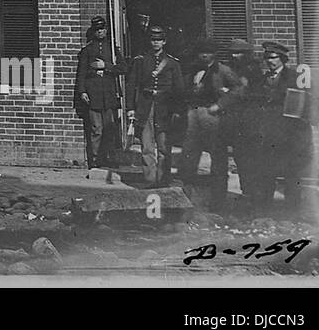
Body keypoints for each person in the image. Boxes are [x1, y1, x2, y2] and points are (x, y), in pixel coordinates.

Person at [178, 40, 245, 210]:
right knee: (189, 156)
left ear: (214, 54)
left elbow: (238, 90)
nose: (204, 55)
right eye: (201, 52)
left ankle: (218, 202)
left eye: (208, 52)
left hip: (213, 117)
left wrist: (220, 105)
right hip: (193, 115)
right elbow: (183, 89)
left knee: (218, 159)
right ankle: (188, 199)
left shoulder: (223, 70)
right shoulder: (193, 69)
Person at [252, 42, 312, 213]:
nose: (269, 61)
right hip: (269, 135)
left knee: (292, 175)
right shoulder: (263, 79)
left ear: (283, 59)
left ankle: (292, 212)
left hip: (289, 135)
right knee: (267, 173)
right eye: (266, 58)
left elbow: (303, 106)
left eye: (273, 58)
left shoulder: (294, 77)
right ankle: (265, 211)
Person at [125, 24, 185, 188]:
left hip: (165, 108)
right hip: (146, 106)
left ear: (164, 42)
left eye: (159, 40)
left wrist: (178, 111)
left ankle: (163, 179)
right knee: (147, 146)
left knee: (164, 146)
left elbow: (179, 90)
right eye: (153, 40)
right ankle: (150, 180)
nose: (156, 43)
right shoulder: (141, 61)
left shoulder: (172, 63)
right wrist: (130, 108)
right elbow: (132, 85)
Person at [74, 15, 122, 168]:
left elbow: (124, 68)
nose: (100, 32)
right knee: (97, 129)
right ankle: (94, 159)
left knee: (110, 128)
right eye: (97, 30)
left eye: (102, 29)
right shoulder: (87, 50)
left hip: (108, 94)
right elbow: (81, 73)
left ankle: (108, 157)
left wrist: (106, 66)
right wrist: (82, 92)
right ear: (93, 32)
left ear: (106, 30)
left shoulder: (112, 49)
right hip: (93, 94)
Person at [223, 38, 263, 206]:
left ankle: (253, 192)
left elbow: (257, 94)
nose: (235, 55)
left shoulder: (253, 70)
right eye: (233, 52)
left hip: (251, 120)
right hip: (236, 119)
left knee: (251, 157)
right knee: (240, 156)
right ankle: (246, 190)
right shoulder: (231, 69)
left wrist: (236, 93)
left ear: (246, 54)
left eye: (238, 52)